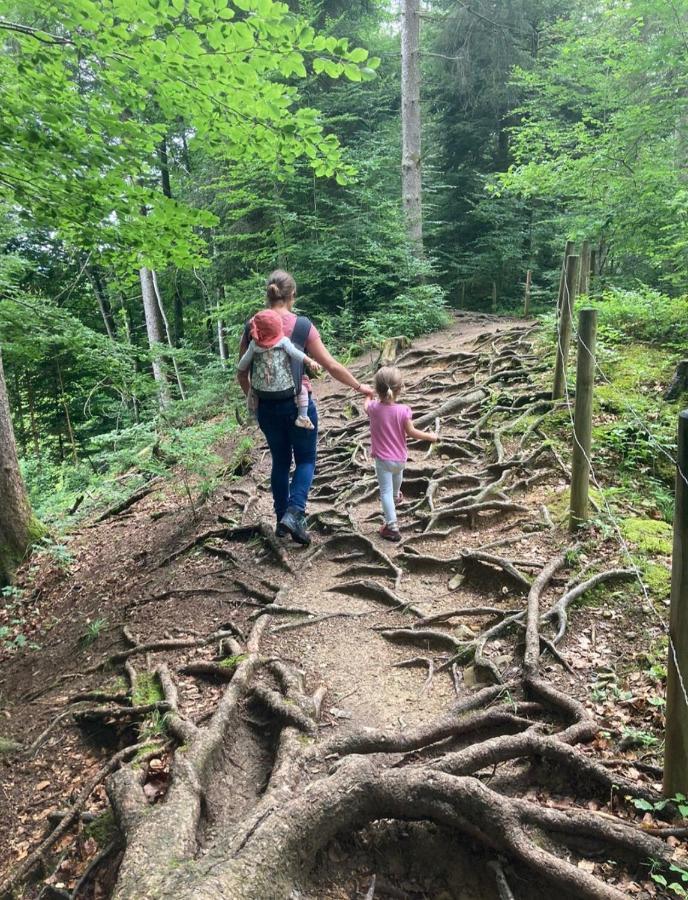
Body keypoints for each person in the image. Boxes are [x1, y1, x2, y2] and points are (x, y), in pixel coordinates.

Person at [237, 270, 373, 546]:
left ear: (269, 294)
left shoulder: (253, 325)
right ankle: (295, 512)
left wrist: (256, 400)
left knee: (280, 461)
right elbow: (331, 365)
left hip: (267, 408)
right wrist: (360, 387)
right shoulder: (301, 326)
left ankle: (281, 520)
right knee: (307, 460)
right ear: (292, 296)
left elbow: (242, 372)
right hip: (298, 405)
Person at [365, 365, 439, 542]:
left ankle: (392, 527)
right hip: (400, 459)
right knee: (395, 484)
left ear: (377, 389)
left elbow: (366, 405)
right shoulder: (404, 410)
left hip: (383, 460)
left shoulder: (374, 408)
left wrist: (368, 395)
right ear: (400, 389)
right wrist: (431, 436)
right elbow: (412, 432)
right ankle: (396, 497)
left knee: (385, 492)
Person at [237, 309, 322, 430]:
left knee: (252, 392)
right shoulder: (283, 341)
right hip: (286, 387)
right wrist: (309, 361)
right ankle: (302, 416)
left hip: (262, 390)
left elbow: (244, 362)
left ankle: (252, 416)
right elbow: (296, 353)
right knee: (302, 388)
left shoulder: (254, 345)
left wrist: (240, 369)